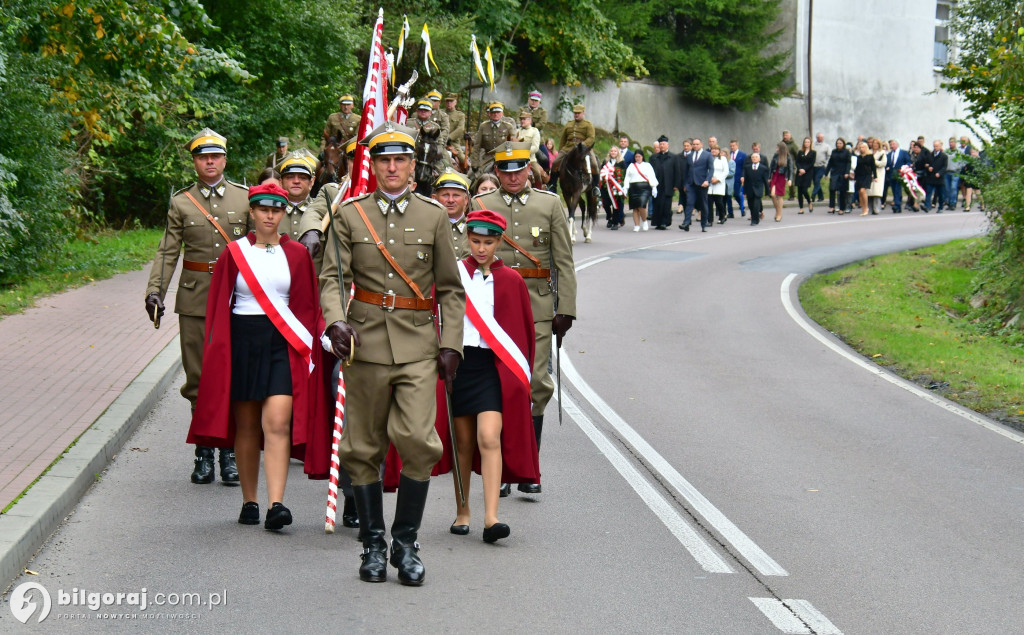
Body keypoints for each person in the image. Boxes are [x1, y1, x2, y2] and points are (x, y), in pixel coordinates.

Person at [319, 121, 465, 586]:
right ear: (375, 165)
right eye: (385, 159)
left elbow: (450, 289)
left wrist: (451, 343)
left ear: (412, 167)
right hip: (364, 345)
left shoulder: (433, 216)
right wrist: (335, 320)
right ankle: (373, 545)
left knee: (420, 442)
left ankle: (406, 542)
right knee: (361, 447)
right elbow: (332, 279)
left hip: (419, 346)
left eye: (401, 159)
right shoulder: (350, 215)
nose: (393, 167)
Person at [187, 182, 329, 529]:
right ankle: (250, 501)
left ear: (283, 213)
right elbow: (218, 306)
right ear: (251, 212)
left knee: (277, 422)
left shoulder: (297, 254)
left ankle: (275, 504)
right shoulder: (233, 253)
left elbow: (308, 306)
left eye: (276, 209)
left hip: (282, 342)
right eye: (263, 209)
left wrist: (316, 341)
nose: (269, 215)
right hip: (242, 342)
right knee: (248, 425)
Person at [472, 142, 576, 495]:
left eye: (519, 170)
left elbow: (564, 260)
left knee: (533, 385)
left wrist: (566, 309)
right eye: (506, 170)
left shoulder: (550, 204)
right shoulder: (483, 205)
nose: (513, 176)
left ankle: (529, 468)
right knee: (497, 385)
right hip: (494, 309)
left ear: (529, 170)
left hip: (537, 307)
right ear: (497, 172)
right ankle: (499, 469)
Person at [145, 128, 248, 485]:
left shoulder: (245, 199)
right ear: (194, 161)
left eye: (216, 156)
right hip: (195, 299)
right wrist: (155, 291)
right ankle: (204, 450)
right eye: (203, 156)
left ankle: (229, 452)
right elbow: (168, 250)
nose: (210, 161)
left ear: (224, 159)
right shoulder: (182, 202)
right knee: (200, 379)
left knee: (234, 376)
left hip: (237, 299)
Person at [442, 209, 538, 543]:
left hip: (491, 369)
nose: (481, 248)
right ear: (467, 238)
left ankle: (492, 517)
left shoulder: (511, 280)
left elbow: (522, 332)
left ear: (499, 241)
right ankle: (463, 511)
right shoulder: (453, 274)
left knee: (488, 437)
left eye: (489, 242)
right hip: (460, 363)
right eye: (476, 240)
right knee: (463, 443)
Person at [433, 169, 472, 260]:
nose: (450, 200)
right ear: (435, 199)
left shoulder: (473, 228)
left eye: (456, 195)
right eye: (445, 195)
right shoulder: (429, 227)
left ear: (466, 200)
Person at [278, 151, 318, 241]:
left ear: (311, 182)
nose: (296, 181)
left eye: (302, 177)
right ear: (280, 182)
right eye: (290, 177)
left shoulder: (322, 211)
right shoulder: (270, 211)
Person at [470, 102, 515, 175]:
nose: (495, 114)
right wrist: (475, 163)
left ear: (502, 113)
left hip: (503, 157)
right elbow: (476, 146)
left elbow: (514, 145)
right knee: (472, 176)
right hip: (487, 158)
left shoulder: (508, 127)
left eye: (498, 112)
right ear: (489, 114)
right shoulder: (483, 126)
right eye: (493, 112)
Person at [680, 138, 713, 231]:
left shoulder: (707, 155)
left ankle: (703, 225)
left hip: (702, 184)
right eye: (694, 144)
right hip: (691, 184)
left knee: (703, 204)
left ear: (701, 144)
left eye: (697, 144)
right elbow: (686, 171)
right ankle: (686, 223)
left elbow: (711, 169)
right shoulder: (690, 155)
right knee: (689, 203)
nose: (695, 146)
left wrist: (707, 180)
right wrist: (685, 184)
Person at [649, 135, 679, 230]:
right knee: (657, 203)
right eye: (660, 144)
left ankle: (664, 222)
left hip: (668, 184)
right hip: (657, 184)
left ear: (667, 145)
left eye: (663, 144)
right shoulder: (653, 158)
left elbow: (677, 171)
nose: (662, 146)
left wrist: (676, 184)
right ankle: (657, 222)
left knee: (666, 204)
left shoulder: (673, 157)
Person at [623, 150, 657, 232]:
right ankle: (637, 225)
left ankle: (644, 221)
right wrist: (625, 188)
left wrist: (654, 187)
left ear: (642, 157)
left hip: (644, 187)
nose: (638, 158)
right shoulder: (631, 166)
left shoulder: (647, 165)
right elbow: (627, 177)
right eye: (636, 157)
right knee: (635, 208)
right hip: (633, 188)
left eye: (639, 156)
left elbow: (652, 176)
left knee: (642, 205)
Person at [599, 146, 626, 229]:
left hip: (616, 186)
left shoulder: (621, 162)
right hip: (605, 186)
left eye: (615, 151)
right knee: (606, 204)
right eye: (612, 151)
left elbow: (623, 174)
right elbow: (601, 172)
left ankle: (615, 222)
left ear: (618, 152)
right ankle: (609, 217)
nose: (613, 152)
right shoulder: (606, 162)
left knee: (616, 204)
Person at [918, 139, 948, 212]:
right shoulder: (930, 155)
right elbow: (926, 164)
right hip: (931, 177)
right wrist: (928, 167)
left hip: (939, 178)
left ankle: (940, 207)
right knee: (928, 192)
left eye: (937, 146)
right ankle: (927, 206)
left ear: (940, 146)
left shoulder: (944, 156)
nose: (935, 148)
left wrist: (940, 173)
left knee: (940, 194)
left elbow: (944, 167)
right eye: (934, 146)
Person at [824, 138, 852, 214]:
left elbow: (848, 163)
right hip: (835, 173)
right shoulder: (834, 151)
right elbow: (830, 162)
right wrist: (826, 173)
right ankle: (831, 206)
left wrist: (847, 172)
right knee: (832, 189)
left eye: (840, 143)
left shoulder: (846, 152)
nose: (838, 145)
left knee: (842, 191)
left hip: (843, 173)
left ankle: (842, 208)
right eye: (837, 143)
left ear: (843, 144)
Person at [516, 110, 544, 186]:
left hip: (530, 159)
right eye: (521, 119)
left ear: (530, 120)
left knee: (537, 173)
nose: (522, 121)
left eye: (524, 119)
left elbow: (535, 147)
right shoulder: (517, 131)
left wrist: (523, 151)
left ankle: (539, 189)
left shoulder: (534, 131)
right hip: (516, 158)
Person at [741, 152, 770, 225]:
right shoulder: (747, 167)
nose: (754, 159)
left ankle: (754, 220)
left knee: (756, 205)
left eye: (756, 157)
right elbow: (746, 180)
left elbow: (765, 181)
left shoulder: (763, 168)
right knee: (750, 205)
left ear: (759, 159)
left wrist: (767, 192)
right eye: (753, 157)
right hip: (749, 189)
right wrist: (744, 191)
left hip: (758, 189)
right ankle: (754, 217)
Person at [885, 139, 912, 214]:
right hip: (892, 173)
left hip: (900, 173)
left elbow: (908, 162)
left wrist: (905, 167)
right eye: (890, 144)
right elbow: (887, 164)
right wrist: (887, 167)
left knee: (897, 189)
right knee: (894, 189)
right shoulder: (889, 155)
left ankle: (897, 205)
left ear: (897, 144)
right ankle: (898, 205)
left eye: (893, 144)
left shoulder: (903, 153)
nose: (891, 146)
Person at [768, 141, 793, 222]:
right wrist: (769, 177)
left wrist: (790, 179)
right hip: (775, 176)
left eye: (777, 147)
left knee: (779, 196)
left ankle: (779, 214)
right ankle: (778, 211)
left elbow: (790, 169)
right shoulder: (775, 156)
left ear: (781, 148)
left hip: (782, 177)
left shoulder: (788, 157)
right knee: (772, 194)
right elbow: (771, 167)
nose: (776, 149)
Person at [852, 141, 877, 216]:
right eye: (860, 147)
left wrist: (875, 176)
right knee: (860, 192)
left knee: (863, 190)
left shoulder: (870, 156)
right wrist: (855, 178)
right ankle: (863, 208)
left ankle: (866, 208)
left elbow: (873, 167)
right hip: (859, 175)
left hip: (867, 175)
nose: (861, 149)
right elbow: (857, 167)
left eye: (863, 147)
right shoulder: (859, 157)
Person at [708, 145, 729, 224]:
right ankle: (710, 220)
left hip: (719, 183)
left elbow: (726, 171)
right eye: (712, 149)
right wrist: (709, 178)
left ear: (719, 151)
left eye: (716, 149)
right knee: (709, 203)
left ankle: (722, 216)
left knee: (719, 202)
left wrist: (718, 179)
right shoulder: (708, 158)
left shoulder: (723, 159)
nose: (714, 151)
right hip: (710, 183)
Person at [795, 137, 816, 214]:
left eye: (808, 142)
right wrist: (800, 169)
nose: (806, 143)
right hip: (800, 172)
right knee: (799, 191)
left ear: (810, 143)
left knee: (804, 189)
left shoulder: (813, 152)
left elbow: (811, 163)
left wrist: (804, 170)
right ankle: (801, 208)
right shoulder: (800, 152)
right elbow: (797, 162)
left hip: (808, 172)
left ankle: (809, 202)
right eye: (805, 142)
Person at [961, 146, 984, 212]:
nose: (972, 154)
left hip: (976, 178)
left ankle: (982, 205)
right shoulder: (969, 161)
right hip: (969, 177)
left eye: (974, 152)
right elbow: (966, 168)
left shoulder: (980, 160)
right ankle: (967, 207)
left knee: (978, 193)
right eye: (971, 153)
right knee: (968, 192)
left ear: (977, 152)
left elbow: (981, 170)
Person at [868, 138, 887, 214]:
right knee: (869, 192)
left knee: (876, 192)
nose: (875, 145)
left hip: (878, 173)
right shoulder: (869, 152)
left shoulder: (882, 153)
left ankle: (876, 209)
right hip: (869, 173)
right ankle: (869, 208)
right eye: (874, 143)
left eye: (876, 143)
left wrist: (874, 162)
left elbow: (883, 163)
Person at [728, 140, 746, 218]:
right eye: (731, 146)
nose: (732, 147)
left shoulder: (742, 155)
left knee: (737, 194)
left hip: (738, 177)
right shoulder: (728, 155)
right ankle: (730, 212)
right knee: (728, 195)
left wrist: (743, 176)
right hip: (729, 178)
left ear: (737, 146)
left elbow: (744, 167)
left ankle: (742, 207)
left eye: (733, 146)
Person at [812, 133, 829, 202]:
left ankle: (813, 194)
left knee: (817, 180)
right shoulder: (813, 145)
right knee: (816, 182)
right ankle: (821, 197)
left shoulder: (826, 146)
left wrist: (826, 165)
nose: (821, 138)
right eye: (819, 137)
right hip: (814, 166)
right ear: (817, 138)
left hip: (821, 166)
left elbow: (829, 156)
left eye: (822, 137)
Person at [782, 130, 799, 200]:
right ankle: (780, 193)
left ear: (790, 136)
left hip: (792, 165)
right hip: (783, 164)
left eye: (787, 135)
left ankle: (793, 195)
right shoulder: (782, 144)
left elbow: (797, 155)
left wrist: (796, 164)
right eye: (784, 135)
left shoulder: (793, 145)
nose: (785, 137)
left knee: (791, 180)